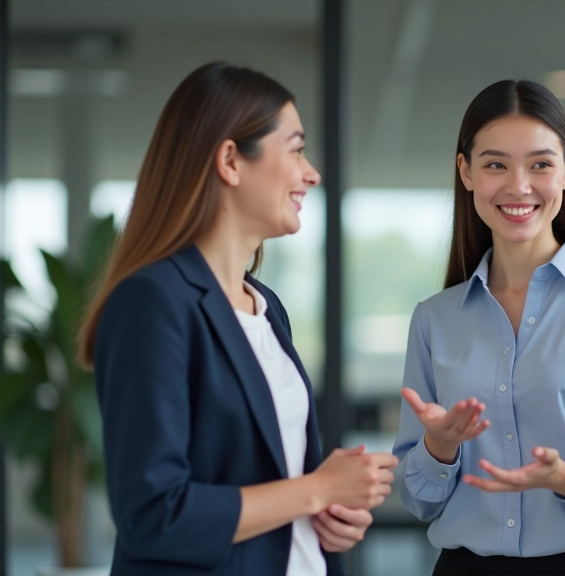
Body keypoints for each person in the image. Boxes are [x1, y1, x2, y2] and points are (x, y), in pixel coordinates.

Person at [77, 62, 398, 576]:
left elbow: (275, 485)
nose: (311, 173)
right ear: (230, 160)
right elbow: (153, 514)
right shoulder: (152, 302)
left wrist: (328, 511)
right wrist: (317, 488)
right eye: (295, 149)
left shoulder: (267, 308)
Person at [391, 79, 565, 576]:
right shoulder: (434, 318)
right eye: (496, 164)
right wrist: (439, 447)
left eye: (540, 164)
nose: (518, 186)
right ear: (467, 172)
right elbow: (419, 498)